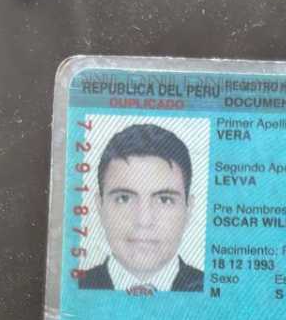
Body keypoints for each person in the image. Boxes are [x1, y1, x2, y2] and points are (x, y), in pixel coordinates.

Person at [79, 123, 203, 292]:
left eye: (164, 200)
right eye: (124, 198)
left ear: (188, 209)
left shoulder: (212, 289)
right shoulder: (74, 288)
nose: (143, 221)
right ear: (100, 207)